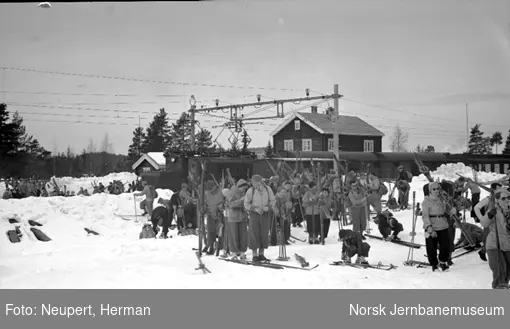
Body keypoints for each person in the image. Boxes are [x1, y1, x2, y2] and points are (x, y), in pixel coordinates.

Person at [422, 181, 457, 272]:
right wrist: (428, 226)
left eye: (438, 189)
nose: (436, 191)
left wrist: (452, 211)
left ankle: (442, 261)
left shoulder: (442, 199)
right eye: (434, 189)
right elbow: (425, 215)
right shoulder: (426, 201)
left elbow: (447, 210)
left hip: (443, 224)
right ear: (430, 191)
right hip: (432, 225)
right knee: (431, 246)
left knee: (445, 245)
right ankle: (434, 264)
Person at [479, 188, 510, 289]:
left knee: (508, 270)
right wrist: (489, 215)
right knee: (499, 269)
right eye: (503, 198)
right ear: (497, 200)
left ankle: (504, 286)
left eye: (508, 197)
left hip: (508, 244)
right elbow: (484, 223)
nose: (506, 200)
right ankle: (498, 288)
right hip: (494, 243)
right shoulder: (493, 211)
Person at [244, 174, 276, 262]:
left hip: (265, 214)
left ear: (259, 182)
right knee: (254, 233)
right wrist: (255, 209)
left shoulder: (268, 189)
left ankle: (261, 254)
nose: (252, 184)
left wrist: (267, 208)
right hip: (254, 214)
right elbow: (246, 203)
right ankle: (254, 255)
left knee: (264, 233)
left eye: (254, 182)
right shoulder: (251, 191)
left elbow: (273, 200)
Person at [474, 183, 503, 261]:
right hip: (489, 222)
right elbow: (476, 207)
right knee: (488, 240)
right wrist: (482, 218)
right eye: (498, 189)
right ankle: (484, 252)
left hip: (500, 223)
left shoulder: (502, 198)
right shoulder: (489, 199)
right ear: (492, 190)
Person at [224, 179, 250, 260]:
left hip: (243, 217)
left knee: (243, 236)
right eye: (243, 188)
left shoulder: (244, 193)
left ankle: (242, 252)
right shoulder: (230, 193)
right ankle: (234, 253)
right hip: (233, 218)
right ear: (239, 187)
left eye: (245, 188)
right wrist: (242, 201)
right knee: (234, 236)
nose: (244, 189)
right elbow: (232, 205)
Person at [204, 180, 225, 255]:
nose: (210, 191)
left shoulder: (221, 192)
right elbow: (204, 203)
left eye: (211, 189)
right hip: (210, 214)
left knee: (220, 231)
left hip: (219, 214)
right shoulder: (206, 193)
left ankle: (221, 247)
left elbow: (225, 201)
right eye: (209, 190)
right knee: (210, 232)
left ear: (215, 187)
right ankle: (211, 247)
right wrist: (205, 209)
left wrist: (222, 206)